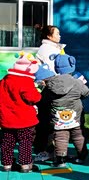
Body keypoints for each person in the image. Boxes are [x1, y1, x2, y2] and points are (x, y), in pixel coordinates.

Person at [41, 54, 89, 167]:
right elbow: (87, 93)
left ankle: (61, 159)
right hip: (76, 116)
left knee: (60, 136)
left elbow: (44, 99)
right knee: (78, 135)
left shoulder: (51, 83)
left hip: (58, 116)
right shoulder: (77, 82)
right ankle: (82, 156)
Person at [0, 53, 42, 172]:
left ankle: (7, 164)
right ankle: (25, 164)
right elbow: (33, 98)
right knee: (25, 142)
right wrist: (38, 92)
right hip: (24, 119)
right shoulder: (25, 81)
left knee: (7, 142)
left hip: (6, 118)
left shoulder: (4, 80)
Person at [33, 25, 65, 162]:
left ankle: (54, 150)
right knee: (46, 121)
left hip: (57, 87)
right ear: (49, 36)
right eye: (57, 33)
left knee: (54, 120)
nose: (59, 36)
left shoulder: (56, 48)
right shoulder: (46, 49)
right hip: (49, 89)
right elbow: (50, 71)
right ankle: (43, 150)